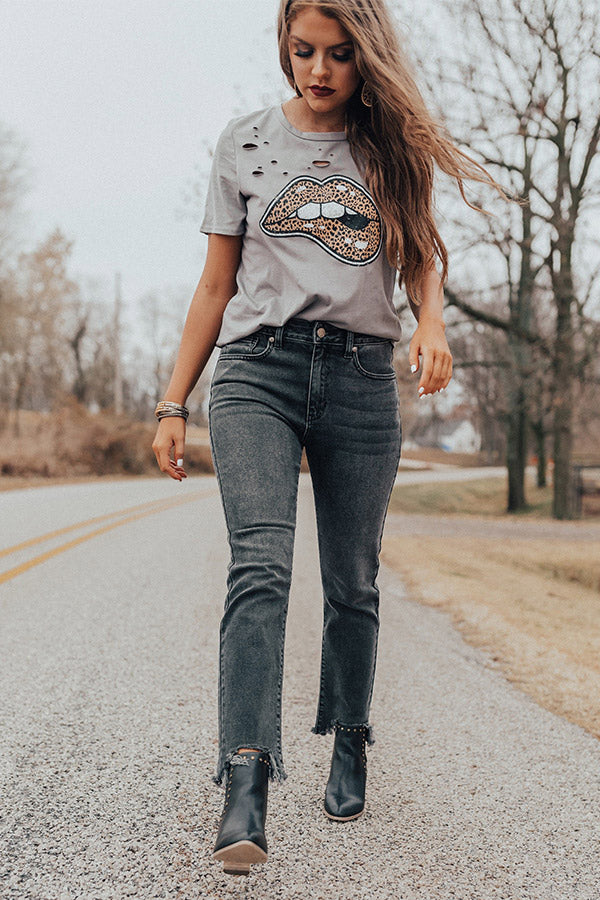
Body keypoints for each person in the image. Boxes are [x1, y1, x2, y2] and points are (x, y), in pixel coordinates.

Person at [152, 0, 509, 877]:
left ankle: (349, 736)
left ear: (368, 58)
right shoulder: (243, 144)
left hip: (358, 378)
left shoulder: (391, 148)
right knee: (260, 567)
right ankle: (246, 777)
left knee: (352, 580)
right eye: (303, 51)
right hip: (256, 372)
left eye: (340, 55)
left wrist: (431, 324)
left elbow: (424, 252)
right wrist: (171, 403)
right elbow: (213, 286)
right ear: (284, 46)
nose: (318, 71)